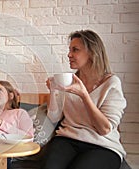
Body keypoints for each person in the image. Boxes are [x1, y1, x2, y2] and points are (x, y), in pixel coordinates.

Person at [39, 30, 127, 169]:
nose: (69, 55)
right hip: (67, 139)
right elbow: (54, 117)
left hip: (102, 145)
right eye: (70, 50)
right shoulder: (68, 81)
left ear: (92, 53)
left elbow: (104, 129)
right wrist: (53, 91)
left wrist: (84, 95)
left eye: (75, 50)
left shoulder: (111, 83)